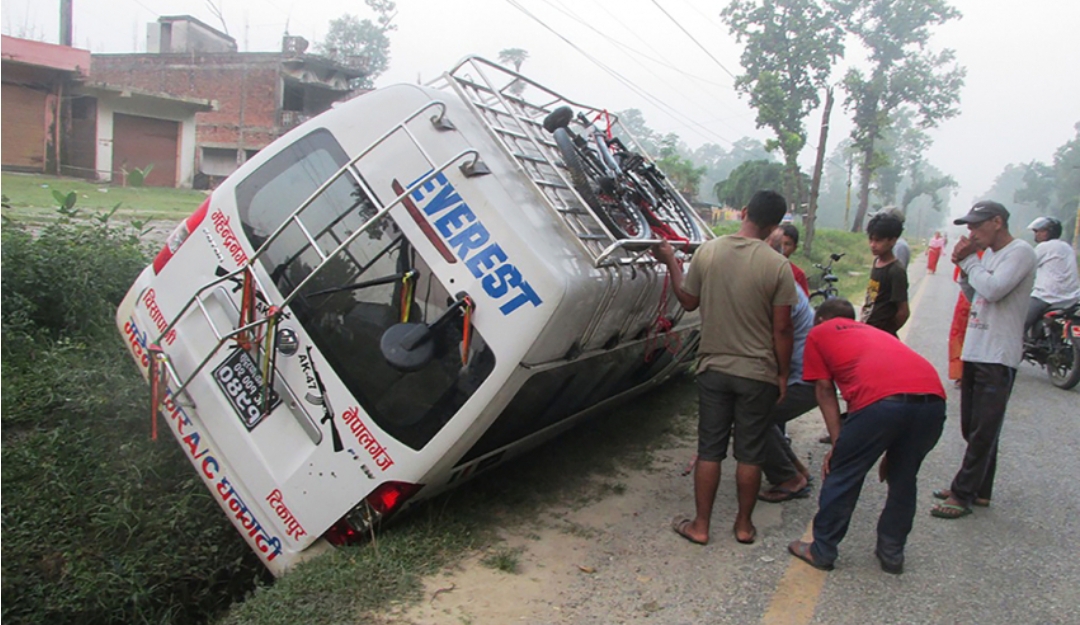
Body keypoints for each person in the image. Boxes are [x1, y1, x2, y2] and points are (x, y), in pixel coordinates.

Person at [656, 190, 797, 546]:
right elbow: (782, 329)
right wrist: (781, 374)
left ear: (744, 211)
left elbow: (688, 301)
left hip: (714, 368)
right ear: (775, 226)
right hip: (758, 373)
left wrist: (671, 260)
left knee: (710, 449)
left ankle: (700, 526)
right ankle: (744, 526)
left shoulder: (709, 251)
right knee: (750, 453)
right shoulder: (779, 266)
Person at [786, 299, 946, 575]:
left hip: (881, 404)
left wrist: (839, 445)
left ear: (821, 320)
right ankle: (892, 552)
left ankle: (821, 549)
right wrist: (891, 447)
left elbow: (824, 391)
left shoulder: (819, 332)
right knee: (904, 477)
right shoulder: (873, 333)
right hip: (932, 401)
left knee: (844, 473)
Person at [931, 201, 1036, 519]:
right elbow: (974, 294)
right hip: (976, 348)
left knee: (983, 430)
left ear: (998, 222)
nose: (971, 233)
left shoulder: (1020, 252)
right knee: (971, 427)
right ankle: (981, 489)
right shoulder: (987, 256)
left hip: (998, 354)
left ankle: (963, 493)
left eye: (977, 226)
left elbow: (993, 289)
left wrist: (969, 263)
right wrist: (965, 267)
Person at [758, 228, 818, 502]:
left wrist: (779, 377)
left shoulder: (779, 287)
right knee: (765, 417)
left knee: (753, 417)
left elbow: (779, 334)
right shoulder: (784, 281)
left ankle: (789, 479)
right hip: (810, 375)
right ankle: (796, 470)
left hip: (805, 379)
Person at [1024, 216, 1080, 337]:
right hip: (1071, 298)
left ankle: (1015, 349)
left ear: (1050, 232)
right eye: (1036, 231)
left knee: (1018, 324)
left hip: (1046, 297)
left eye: (1041, 231)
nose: (1037, 234)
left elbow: (1024, 266)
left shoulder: (1044, 247)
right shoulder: (1067, 247)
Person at [860, 212, 910, 336]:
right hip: (868, 328)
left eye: (878, 240)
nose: (873, 245)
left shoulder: (896, 271)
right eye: (871, 239)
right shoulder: (877, 262)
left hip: (880, 334)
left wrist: (886, 333)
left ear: (892, 240)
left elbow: (903, 312)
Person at [779, 224, 811, 296]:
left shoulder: (798, 274)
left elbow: (804, 302)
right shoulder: (764, 267)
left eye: (787, 244)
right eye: (779, 243)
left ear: (794, 248)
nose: (782, 248)